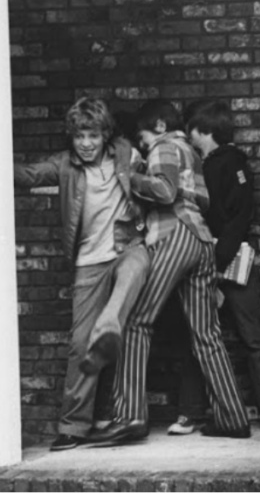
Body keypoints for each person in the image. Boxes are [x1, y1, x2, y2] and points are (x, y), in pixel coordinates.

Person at [94, 99, 250, 444]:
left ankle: (129, 417)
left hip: (173, 234)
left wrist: (129, 178)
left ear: (160, 127)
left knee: (136, 322)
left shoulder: (164, 147)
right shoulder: (192, 152)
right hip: (202, 241)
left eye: (144, 136)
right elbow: (203, 201)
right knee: (207, 335)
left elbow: (164, 192)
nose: (143, 142)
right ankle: (233, 418)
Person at [2, 97, 150, 451]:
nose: (86, 143)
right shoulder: (65, 166)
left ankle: (111, 318)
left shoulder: (125, 153)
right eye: (80, 136)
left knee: (137, 265)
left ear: (105, 136)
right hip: (89, 261)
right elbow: (28, 175)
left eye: (93, 135)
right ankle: (73, 426)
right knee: (81, 344)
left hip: (128, 246)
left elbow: (156, 164)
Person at [162, 99, 260, 435]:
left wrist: (217, 261)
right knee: (205, 335)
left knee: (240, 335)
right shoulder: (202, 163)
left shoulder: (231, 163)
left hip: (228, 260)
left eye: (191, 130)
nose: (188, 137)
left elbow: (239, 217)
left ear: (204, 131)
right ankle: (192, 412)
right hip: (208, 258)